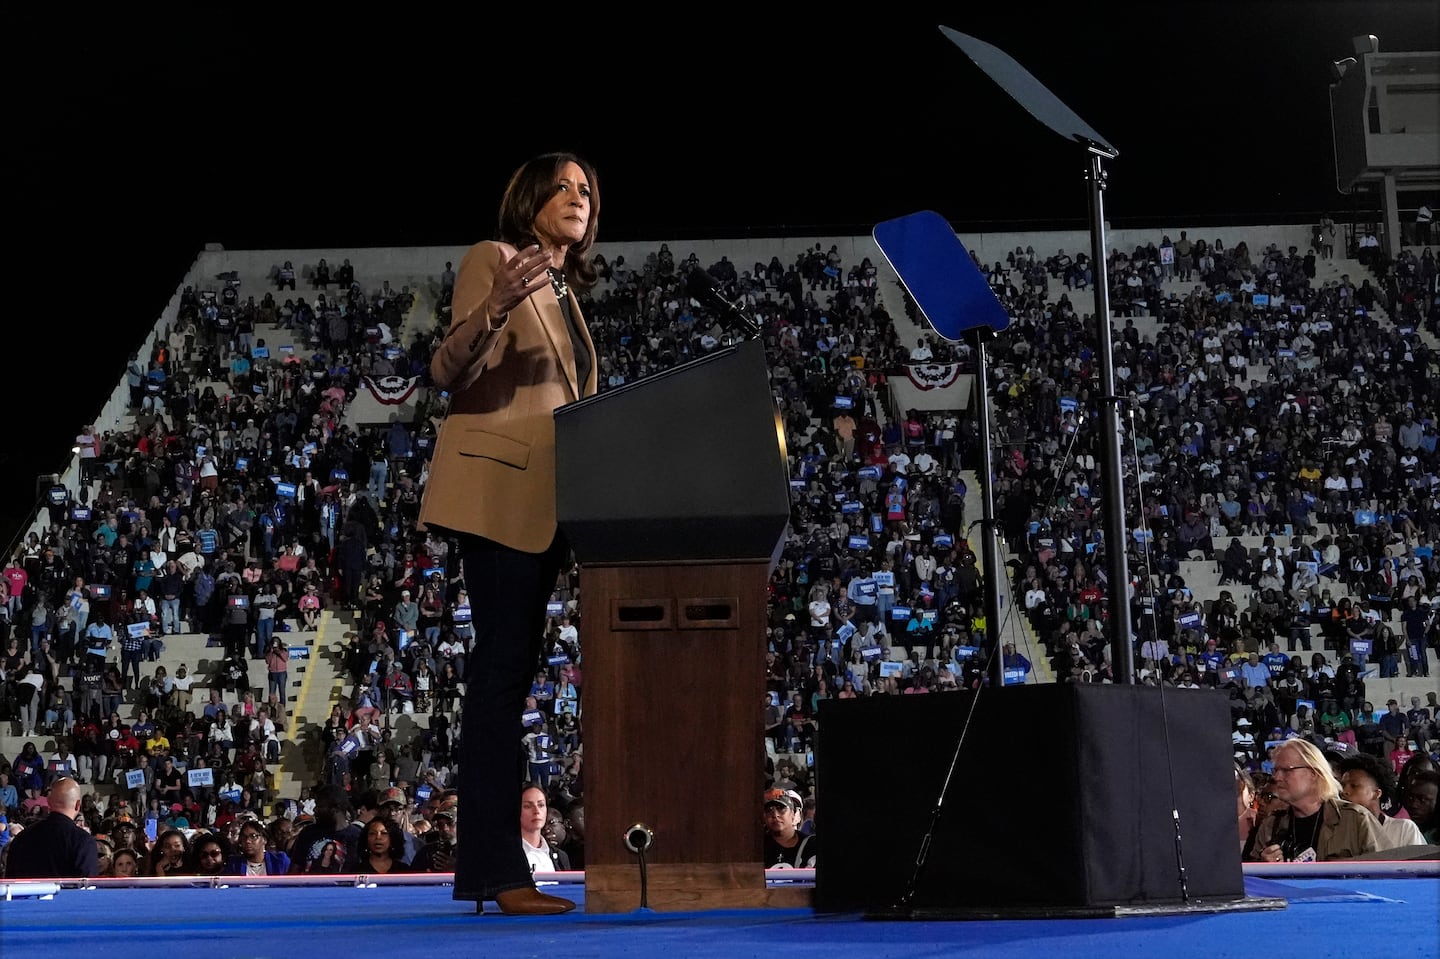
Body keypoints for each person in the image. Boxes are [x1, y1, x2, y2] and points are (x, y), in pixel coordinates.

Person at [417, 152, 599, 917]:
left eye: (589, 190)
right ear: (529, 199)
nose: (580, 197)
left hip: (550, 507)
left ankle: (497, 873)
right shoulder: (495, 261)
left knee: (510, 681)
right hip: (497, 497)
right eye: (565, 186)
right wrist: (494, 305)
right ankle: (496, 872)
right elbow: (446, 368)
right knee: (497, 684)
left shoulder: (567, 289)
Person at [1248, 739, 1381, 861]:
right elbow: (1250, 882)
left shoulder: (1356, 820)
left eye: (1286, 770)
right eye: (1275, 770)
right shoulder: (1271, 825)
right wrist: (1264, 867)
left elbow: (1388, 875)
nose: (1277, 777)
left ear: (1313, 773)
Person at [1, 777, 97, 878]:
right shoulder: (83, 841)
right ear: (78, 805)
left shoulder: (21, 838)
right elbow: (88, 889)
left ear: (49, 802)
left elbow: (10, 884)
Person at [1337, 753, 1426, 850]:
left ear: (1376, 793)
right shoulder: (1336, 833)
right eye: (1342, 786)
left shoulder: (1404, 829)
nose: (1344, 791)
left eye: (1354, 785)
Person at [520, 782, 570, 875]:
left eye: (541, 805)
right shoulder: (505, 855)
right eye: (528, 806)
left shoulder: (561, 857)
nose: (536, 811)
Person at [762, 787, 816, 868]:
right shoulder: (757, 847)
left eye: (781, 808)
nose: (775, 815)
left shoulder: (811, 844)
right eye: (769, 810)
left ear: (793, 813)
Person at [225, 817, 290, 876]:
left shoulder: (279, 861)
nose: (247, 841)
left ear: (264, 839)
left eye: (253, 836)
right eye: (244, 837)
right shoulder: (234, 864)